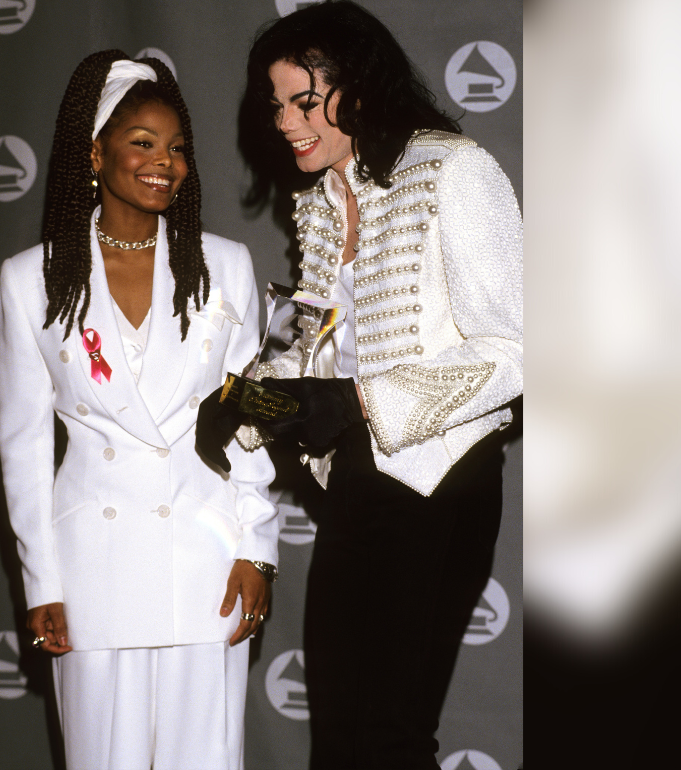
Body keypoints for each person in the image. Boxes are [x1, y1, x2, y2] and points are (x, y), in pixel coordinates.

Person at [198, 3, 522, 768]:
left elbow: (517, 347)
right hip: (354, 480)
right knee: (339, 734)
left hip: (440, 479)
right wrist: (246, 400)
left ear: (364, 88)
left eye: (304, 101)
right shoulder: (317, 201)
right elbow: (316, 350)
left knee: (390, 737)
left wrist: (359, 401)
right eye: (276, 104)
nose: (285, 121)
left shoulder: (452, 169)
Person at [0, 50, 279, 770]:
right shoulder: (33, 281)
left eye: (178, 148)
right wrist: (42, 583)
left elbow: (247, 421)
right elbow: (23, 445)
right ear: (95, 153)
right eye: (143, 144)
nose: (166, 163)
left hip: (205, 560)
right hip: (95, 570)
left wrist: (257, 551)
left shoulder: (226, 267)